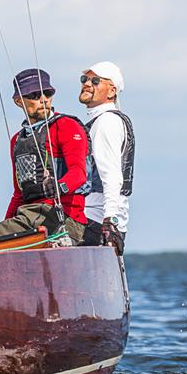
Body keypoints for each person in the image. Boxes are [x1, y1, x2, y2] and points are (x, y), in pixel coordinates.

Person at [0, 68, 90, 244]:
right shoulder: (17, 140)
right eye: (34, 95)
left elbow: (79, 173)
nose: (43, 99)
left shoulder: (66, 126)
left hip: (63, 219)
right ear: (18, 101)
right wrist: (3, 227)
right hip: (29, 217)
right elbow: (18, 194)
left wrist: (58, 187)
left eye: (47, 93)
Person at [78, 61, 135, 256]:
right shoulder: (101, 121)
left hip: (94, 221)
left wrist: (110, 222)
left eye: (95, 81)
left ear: (111, 91)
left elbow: (111, 175)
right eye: (84, 79)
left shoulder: (106, 122)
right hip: (92, 218)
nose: (87, 84)